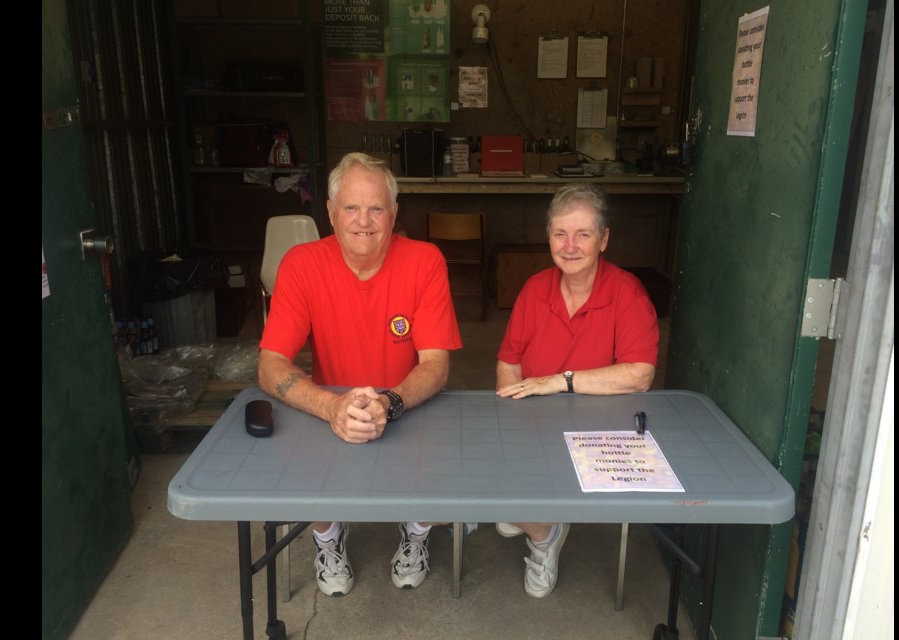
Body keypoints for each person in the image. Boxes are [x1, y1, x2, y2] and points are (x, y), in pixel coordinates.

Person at [258, 152, 462, 596]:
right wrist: (332, 407)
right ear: (330, 213)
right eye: (351, 207)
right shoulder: (300, 264)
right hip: (330, 406)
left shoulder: (425, 260)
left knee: (447, 469)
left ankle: (416, 531)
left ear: (393, 214)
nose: (363, 221)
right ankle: (328, 538)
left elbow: (436, 365)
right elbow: (270, 365)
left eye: (375, 208)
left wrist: (391, 402)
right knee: (297, 462)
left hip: (408, 404)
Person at [494, 182, 660, 598]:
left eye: (583, 234)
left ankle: (543, 535)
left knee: (512, 498)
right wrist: (510, 428)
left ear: (603, 240)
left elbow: (640, 374)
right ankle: (544, 521)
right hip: (534, 426)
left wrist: (561, 381)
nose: (570, 246)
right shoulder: (535, 289)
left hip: (598, 433)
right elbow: (508, 362)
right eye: (559, 234)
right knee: (486, 478)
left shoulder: (627, 294)